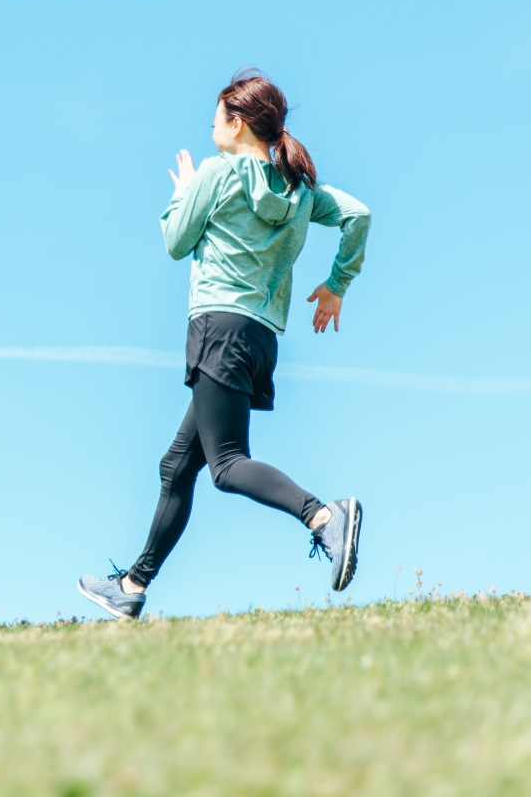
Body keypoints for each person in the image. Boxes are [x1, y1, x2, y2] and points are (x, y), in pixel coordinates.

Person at [77, 69, 371, 620]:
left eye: (215, 118)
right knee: (176, 466)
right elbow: (358, 215)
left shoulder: (217, 173)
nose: (211, 127)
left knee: (227, 464)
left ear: (236, 124)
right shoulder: (300, 190)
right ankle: (133, 585)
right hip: (260, 337)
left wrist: (184, 191)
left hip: (217, 327)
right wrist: (337, 285)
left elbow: (174, 241)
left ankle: (325, 517)